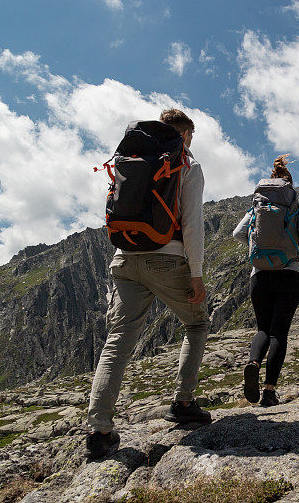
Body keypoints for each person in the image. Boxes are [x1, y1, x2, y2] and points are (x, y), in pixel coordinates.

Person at [86, 109, 211, 459]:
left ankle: (99, 430)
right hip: (167, 258)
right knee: (198, 322)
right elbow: (192, 225)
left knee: (118, 339)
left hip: (125, 257)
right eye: (191, 136)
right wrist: (196, 273)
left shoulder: (132, 157)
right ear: (184, 134)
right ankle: (184, 402)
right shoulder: (186, 163)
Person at [233, 155, 299, 407]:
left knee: (263, 329)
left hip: (260, 276)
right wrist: (291, 245)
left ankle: (253, 363)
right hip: (289, 273)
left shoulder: (256, 206)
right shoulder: (294, 205)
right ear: (289, 186)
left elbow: (237, 233)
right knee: (280, 332)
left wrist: (258, 246)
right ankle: (269, 392)